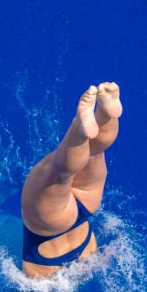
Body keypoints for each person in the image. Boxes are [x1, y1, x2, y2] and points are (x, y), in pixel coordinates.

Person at [20, 82, 121, 278]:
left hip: (86, 210)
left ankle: (106, 114)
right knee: (56, 173)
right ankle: (79, 127)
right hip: (49, 227)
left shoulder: (88, 259)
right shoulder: (38, 280)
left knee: (94, 152)